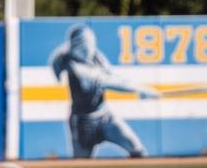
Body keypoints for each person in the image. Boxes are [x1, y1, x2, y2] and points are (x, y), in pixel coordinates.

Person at [50, 23, 159, 158]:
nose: (90, 47)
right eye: (85, 43)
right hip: (83, 124)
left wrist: (139, 91)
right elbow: (110, 82)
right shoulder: (76, 68)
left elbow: (111, 75)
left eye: (91, 42)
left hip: (105, 117)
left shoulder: (96, 57)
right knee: (81, 164)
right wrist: (141, 89)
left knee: (136, 147)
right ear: (78, 46)